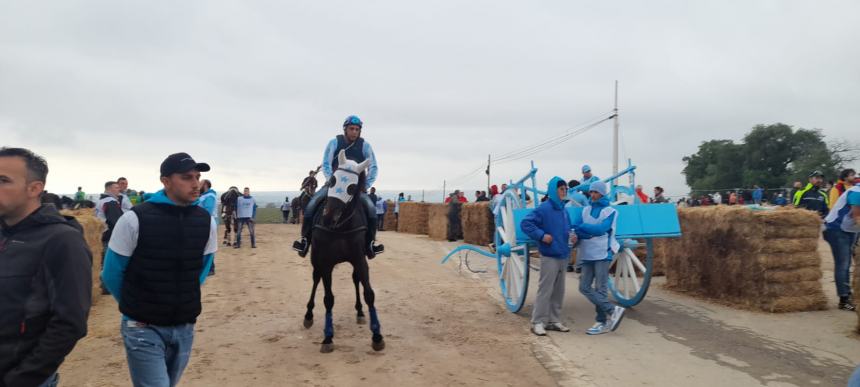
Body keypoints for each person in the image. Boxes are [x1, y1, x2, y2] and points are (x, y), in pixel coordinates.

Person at [101, 152, 216, 387]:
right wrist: (138, 306)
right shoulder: (134, 219)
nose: (195, 184)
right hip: (142, 327)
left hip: (184, 325)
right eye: (186, 177)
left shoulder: (206, 221)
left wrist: (180, 299)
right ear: (165, 181)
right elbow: (111, 273)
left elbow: (201, 270)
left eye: (197, 177)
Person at [0, 148, 92, 387]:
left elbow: (70, 322)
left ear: (34, 188)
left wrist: (22, 379)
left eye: (3, 180)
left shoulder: (61, 240)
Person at [293, 115, 382, 258]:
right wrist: (331, 180)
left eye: (357, 129)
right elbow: (326, 163)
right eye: (351, 129)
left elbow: (374, 166)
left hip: (354, 188)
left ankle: (370, 244)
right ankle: (305, 240)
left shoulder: (365, 146)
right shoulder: (334, 142)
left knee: (371, 209)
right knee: (311, 205)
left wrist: (365, 185)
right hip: (334, 185)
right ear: (345, 129)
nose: (354, 132)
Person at [520, 177, 575, 336]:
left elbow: (569, 228)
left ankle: (554, 320)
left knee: (559, 290)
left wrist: (573, 236)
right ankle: (537, 321)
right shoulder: (544, 208)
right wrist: (542, 236)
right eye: (561, 189)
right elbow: (526, 224)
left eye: (565, 189)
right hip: (550, 255)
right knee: (545, 289)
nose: (564, 191)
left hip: (563, 254)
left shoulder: (564, 210)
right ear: (553, 190)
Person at [572, 181, 626, 335]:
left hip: (603, 253)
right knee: (584, 287)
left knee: (600, 289)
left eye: (596, 192)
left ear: (602, 193)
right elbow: (588, 230)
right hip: (588, 253)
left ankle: (602, 321)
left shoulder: (610, 211)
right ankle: (613, 310)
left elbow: (601, 229)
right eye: (591, 192)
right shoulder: (585, 210)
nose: (592, 195)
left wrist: (583, 229)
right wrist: (589, 231)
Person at [823, 179, 860, 311]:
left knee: (847, 262)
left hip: (851, 229)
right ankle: (844, 299)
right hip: (836, 228)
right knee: (843, 263)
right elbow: (857, 218)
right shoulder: (857, 192)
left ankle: (848, 294)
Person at [95, 181, 124, 295]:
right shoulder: (110, 201)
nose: (119, 190)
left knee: (103, 260)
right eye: (116, 188)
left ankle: (102, 285)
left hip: (102, 234)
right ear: (109, 189)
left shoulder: (101, 201)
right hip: (110, 234)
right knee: (109, 261)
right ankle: (106, 287)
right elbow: (116, 220)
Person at [197, 180, 217, 275]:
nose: (198, 185)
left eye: (200, 183)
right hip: (203, 221)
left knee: (208, 246)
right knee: (206, 245)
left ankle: (210, 268)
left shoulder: (210, 196)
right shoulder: (203, 196)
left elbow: (207, 211)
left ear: (205, 185)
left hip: (207, 222)